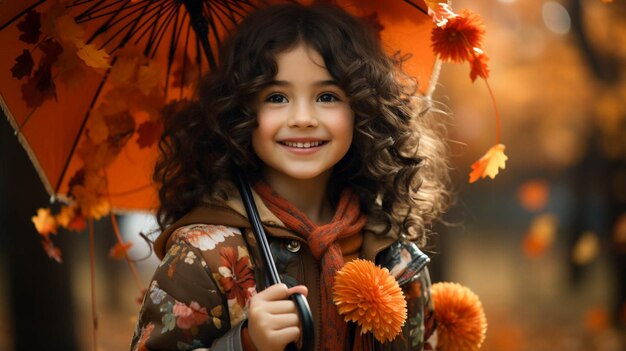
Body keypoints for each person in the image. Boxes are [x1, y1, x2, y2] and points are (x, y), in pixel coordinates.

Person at [131, 3, 451, 350]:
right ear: (242, 111)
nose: (302, 117)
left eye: (327, 96)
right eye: (277, 97)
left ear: (362, 108)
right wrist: (245, 343)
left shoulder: (392, 252)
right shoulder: (205, 254)